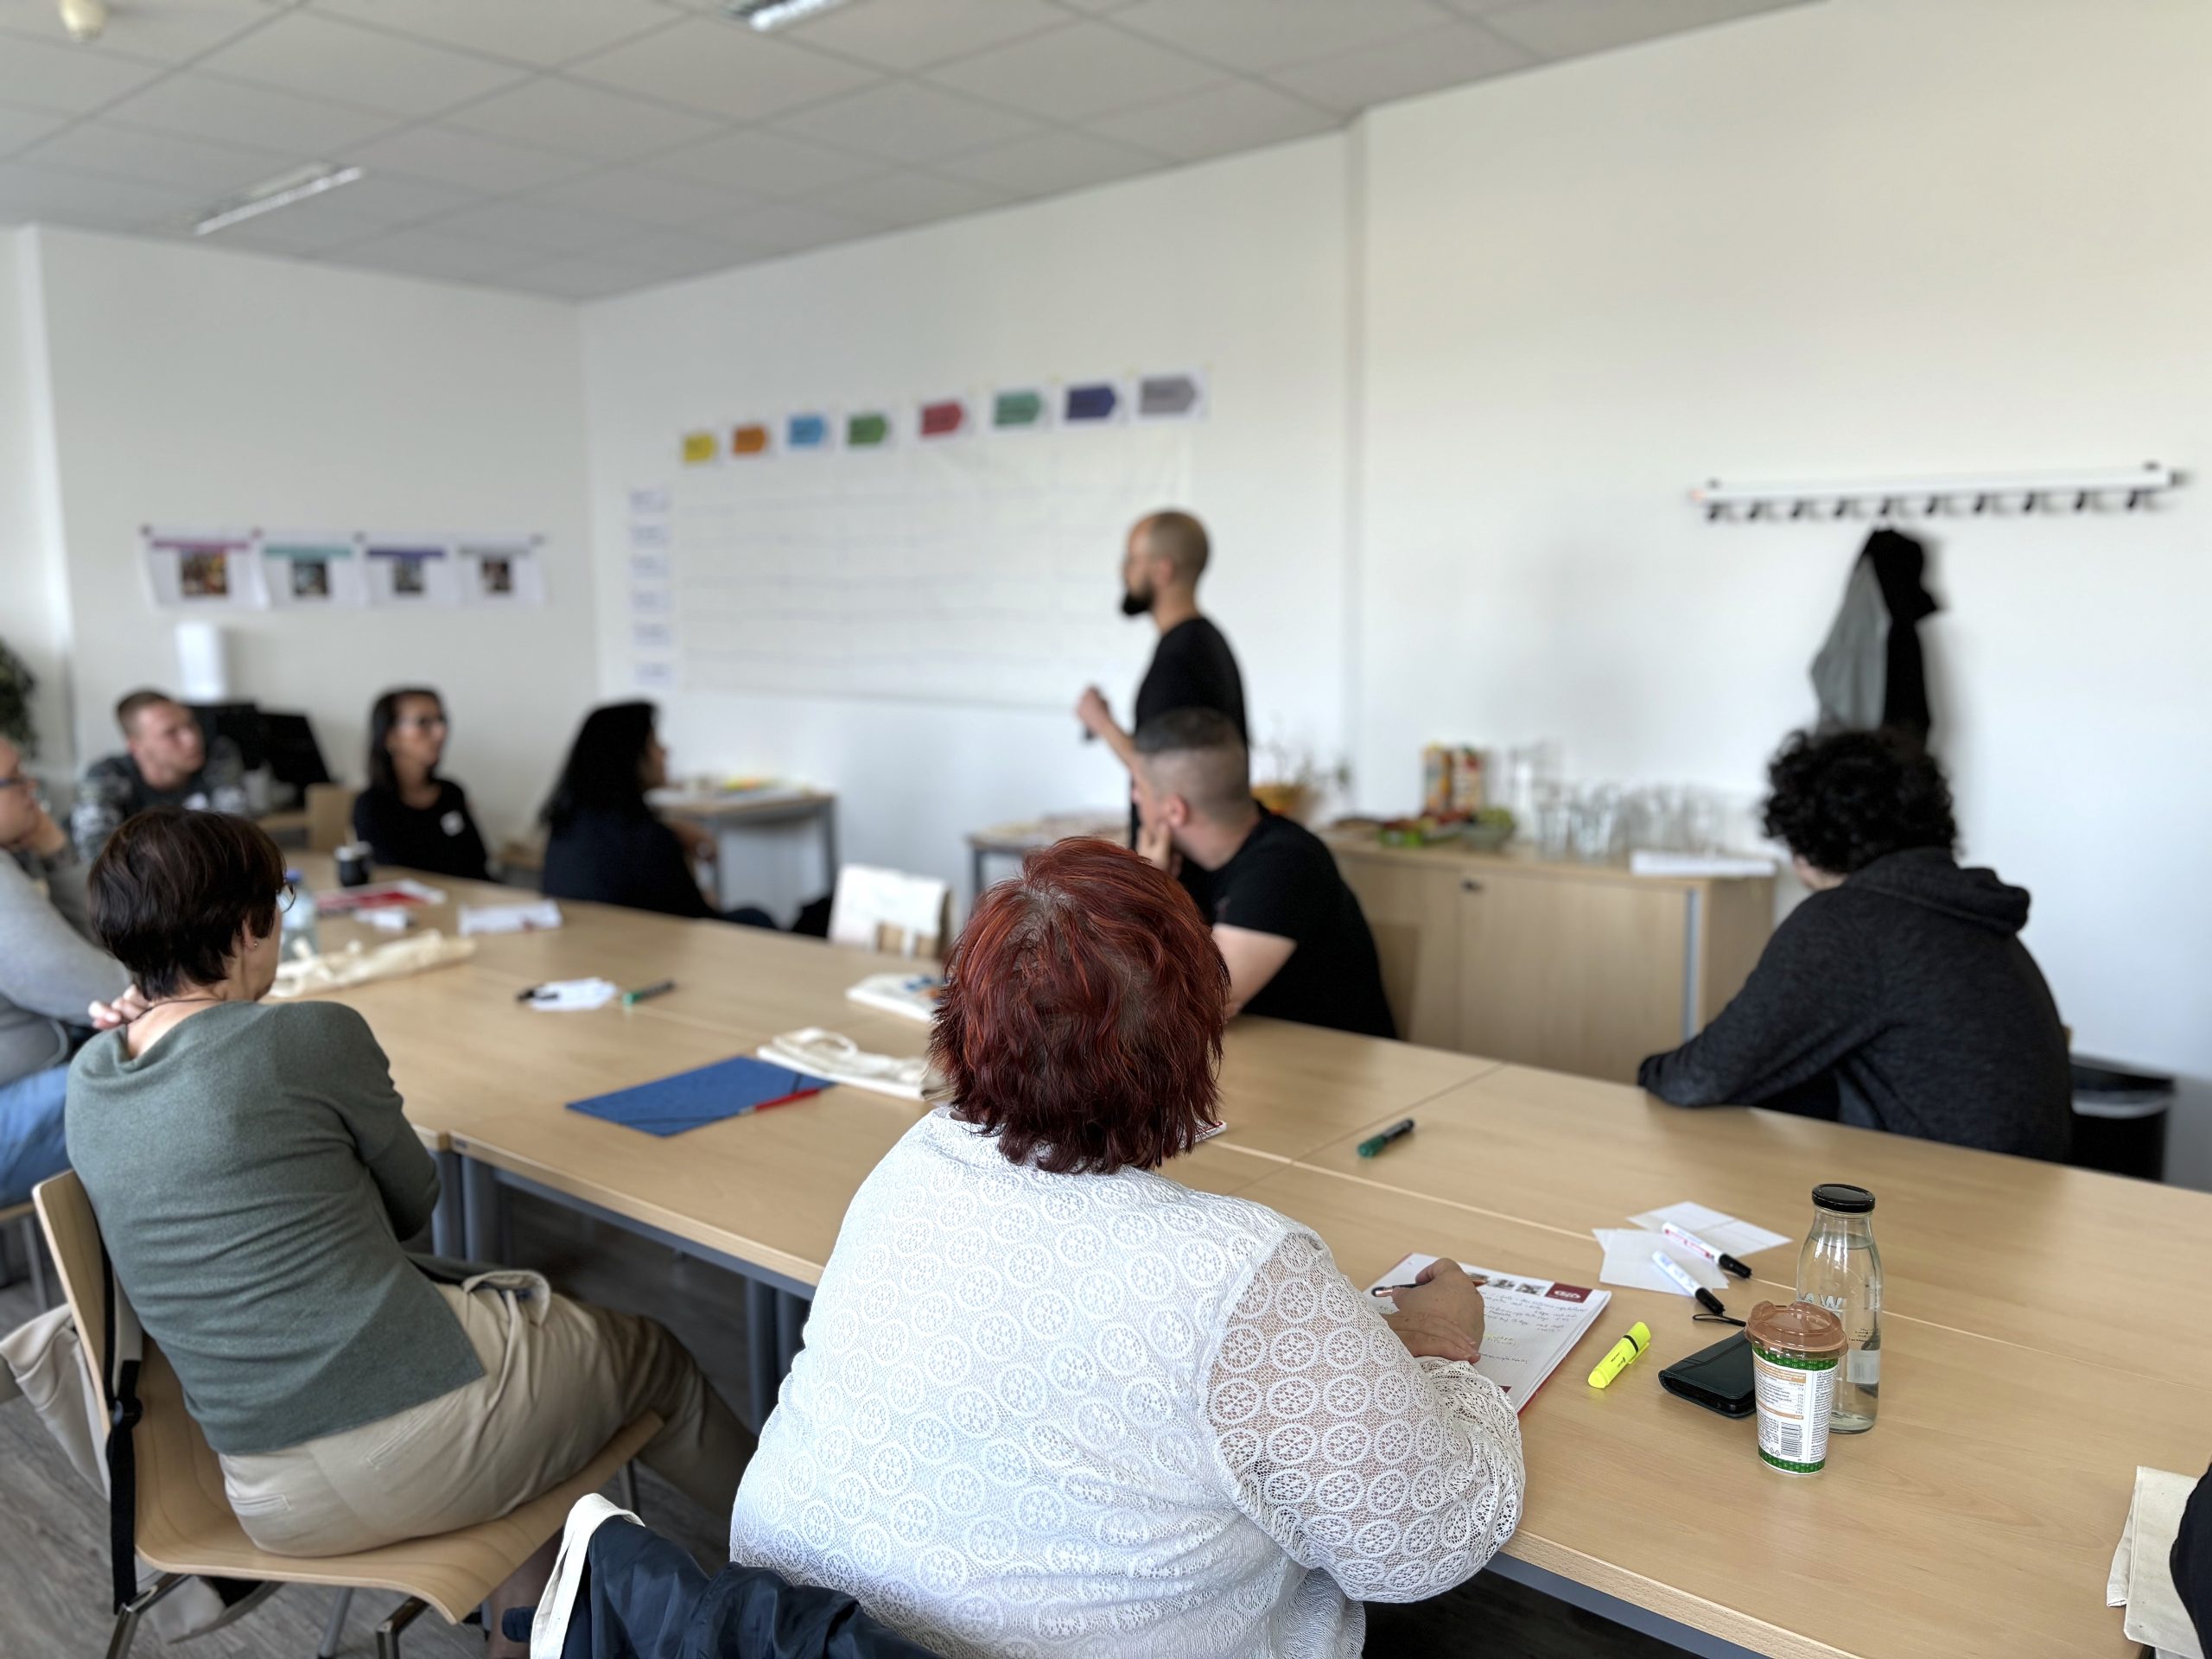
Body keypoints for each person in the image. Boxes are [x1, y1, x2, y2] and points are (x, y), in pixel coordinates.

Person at [728, 840, 1521, 1656]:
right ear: (1190, 1047)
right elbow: (1425, 1542)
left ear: (962, 1024)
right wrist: (1445, 1363)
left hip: (785, 1634)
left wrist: (1337, 1361)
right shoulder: (1241, 1273)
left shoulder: (912, 1164)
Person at [66, 809, 752, 1659]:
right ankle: (804, 1582)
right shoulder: (307, 1038)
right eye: (277, 901)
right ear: (248, 925)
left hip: (259, 1493)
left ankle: (522, 1626)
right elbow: (412, 1202)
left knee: (534, 1416)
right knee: (654, 1357)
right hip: (420, 1446)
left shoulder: (89, 1077)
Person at [1638, 728, 2071, 1158]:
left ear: (1803, 849)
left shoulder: (1851, 924)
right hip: (2021, 1200)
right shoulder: (1970, 913)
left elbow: (1699, 1078)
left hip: (1945, 1208)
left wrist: (1647, 1073)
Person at [1131, 707, 1396, 1039]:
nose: (1134, 798)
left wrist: (1146, 894)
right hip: (1252, 1056)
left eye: (1138, 787)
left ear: (1174, 810)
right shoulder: (1179, 861)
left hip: (1336, 1071)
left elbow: (1196, 1006)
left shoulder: (1287, 863)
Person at [0, 738, 138, 1205]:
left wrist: (55, 849)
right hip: (9, 1114)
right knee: (179, 1078)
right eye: (15, 777)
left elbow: (103, 940)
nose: (31, 787)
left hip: (28, 1085)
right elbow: (103, 991)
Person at [1074, 510, 1246, 839]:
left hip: (1180, 867)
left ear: (1163, 569)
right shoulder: (1207, 642)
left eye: (1131, 559)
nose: (1123, 571)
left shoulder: (1180, 659)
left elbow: (1163, 772)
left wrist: (1102, 723)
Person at [539, 702, 741, 921]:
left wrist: (672, 831)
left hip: (596, 944)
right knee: (757, 918)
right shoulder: (649, 842)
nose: (665, 751)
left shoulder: (567, 824)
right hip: (655, 948)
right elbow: (696, 919)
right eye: (654, 744)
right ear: (628, 757)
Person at [71, 690, 250, 862]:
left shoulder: (218, 756)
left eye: (191, 724)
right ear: (136, 745)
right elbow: (97, 855)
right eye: (170, 733)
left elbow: (236, 835)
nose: (192, 739)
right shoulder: (106, 777)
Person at [351, 687, 491, 880]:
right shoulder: (372, 805)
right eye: (424, 723)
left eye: (441, 720)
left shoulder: (451, 793)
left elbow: (478, 863)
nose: (440, 732)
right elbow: (390, 875)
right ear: (391, 736)